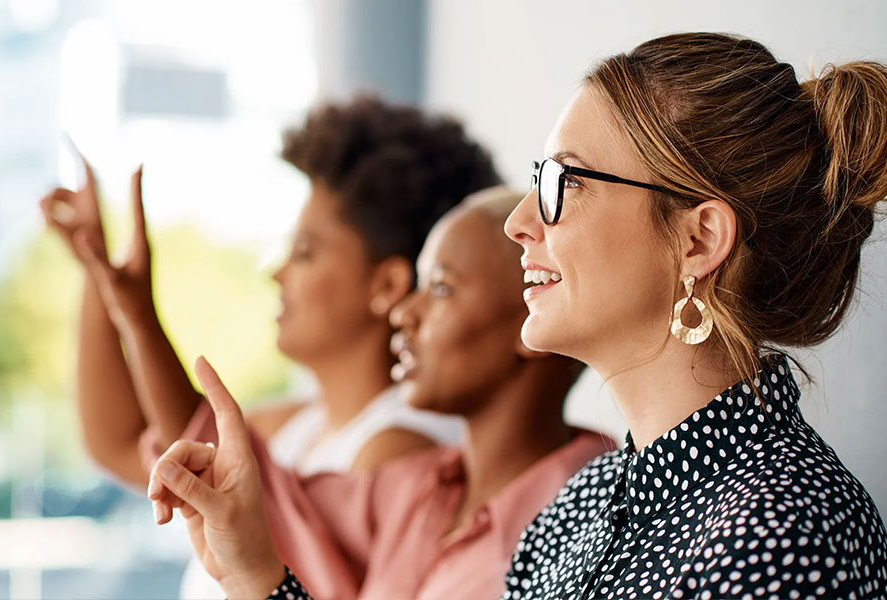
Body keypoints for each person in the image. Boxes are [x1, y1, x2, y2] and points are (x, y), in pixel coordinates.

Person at [152, 33, 887, 599]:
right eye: (539, 179)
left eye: (565, 180)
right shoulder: (583, 504)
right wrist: (254, 572)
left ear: (698, 239)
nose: (521, 223)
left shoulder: (784, 534)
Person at [40, 95, 498, 598]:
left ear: (385, 286)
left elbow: (270, 535)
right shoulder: (292, 427)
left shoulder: (400, 452)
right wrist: (97, 273)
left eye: (304, 252)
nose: (276, 272)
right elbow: (118, 442)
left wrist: (136, 315)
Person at [146, 187, 615, 600]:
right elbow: (257, 496)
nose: (403, 313)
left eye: (442, 288)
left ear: (529, 318)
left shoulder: (597, 521)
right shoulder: (412, 490)